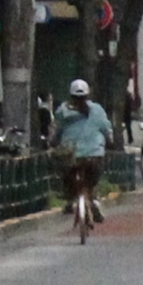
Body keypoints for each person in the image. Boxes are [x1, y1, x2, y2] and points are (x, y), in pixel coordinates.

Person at [52, 79, 114, 225]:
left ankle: (70, 201)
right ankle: (93, 200)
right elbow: (106, 129)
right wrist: (110, 141)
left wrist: (53, 142)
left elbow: (56, 132)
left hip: (71, 155)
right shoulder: (97, 110)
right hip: (94, 155)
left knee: (67, 175)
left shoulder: (62, 110)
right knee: (91, 181)